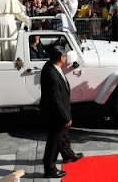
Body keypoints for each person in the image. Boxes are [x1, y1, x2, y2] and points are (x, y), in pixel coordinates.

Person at [40, 46, 83, 179]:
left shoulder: (52, 67)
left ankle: (68, 154)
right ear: (59, 58)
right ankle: (50, 168)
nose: (66, 58)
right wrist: (64, 116)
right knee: (54, 141)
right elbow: (55, 99)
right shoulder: (51, 74)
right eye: (64, 56)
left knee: (63, 135)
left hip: (59, 110)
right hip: (55, 114)